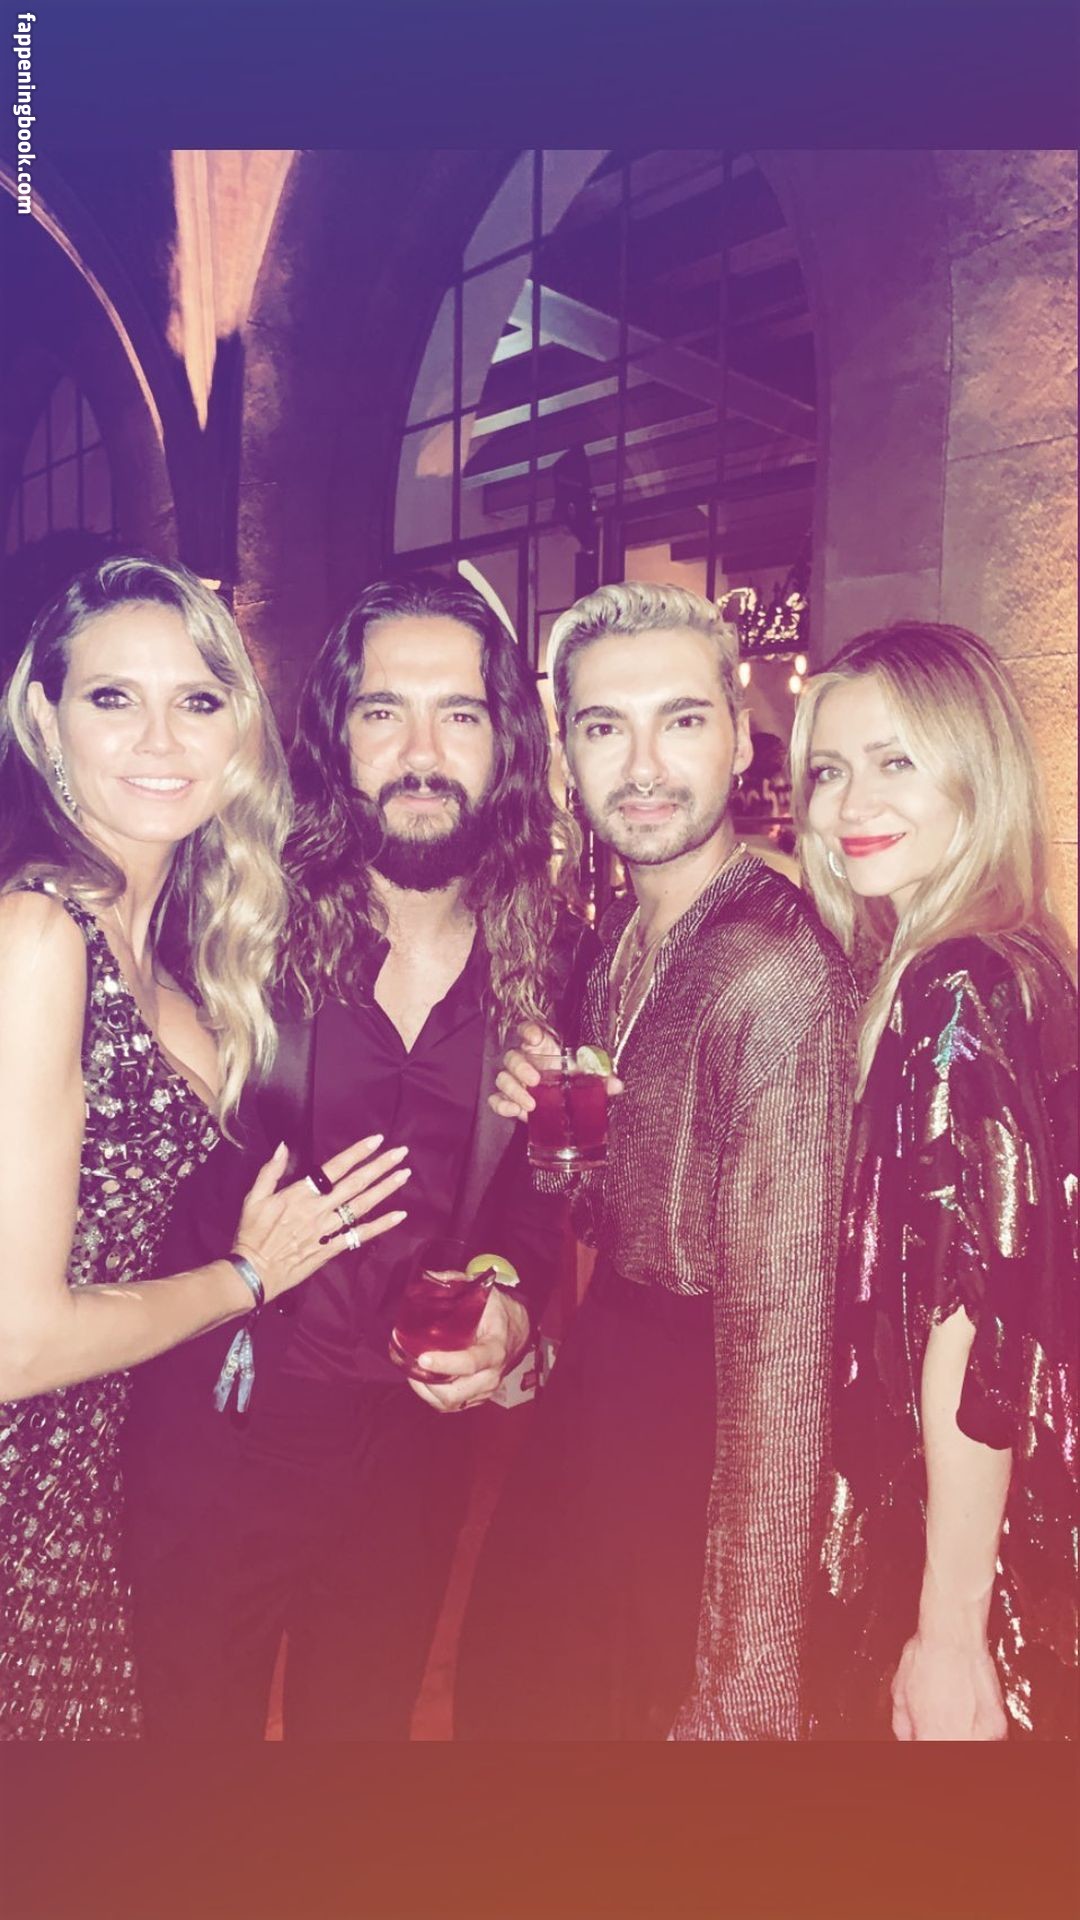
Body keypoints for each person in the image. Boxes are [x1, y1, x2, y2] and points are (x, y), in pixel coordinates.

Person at [123, 571, 580, 1740]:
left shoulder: (551, 957)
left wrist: (511, 1309)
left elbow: (538, 1201)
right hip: (219, 1427)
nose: (421, 753)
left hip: (411, 1458)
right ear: (336, 735)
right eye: (384, 711)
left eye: (459, 714)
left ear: (505, 743)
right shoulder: (231, 929)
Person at [0, 557, 408, 1742]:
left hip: (94, 1457)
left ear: (237, 729)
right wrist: (245, 1276)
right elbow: (16, 1344)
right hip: (25, 1468)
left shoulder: (169, 948)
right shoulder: (40, 935)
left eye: (197, 698)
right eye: (112, 698)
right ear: (44, 721)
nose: (159, 739)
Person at [455, 581, 858, 1741]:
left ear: (740, 736)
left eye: (680, 720)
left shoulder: (771, 973)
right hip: (606, 1396)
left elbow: (783, 1354)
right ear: (566, 757)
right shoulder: (625, 940)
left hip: (704, 1431)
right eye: (603, 727)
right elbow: (613, 1202)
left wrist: (746, 1690)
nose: (642, 766)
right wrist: (552, 1129)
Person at [790, 621, 1077, 1741]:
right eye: (829, 770)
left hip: (957, 1548)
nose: (848, 804)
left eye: (895, 760)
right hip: (1007, 1520)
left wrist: (949, 1626)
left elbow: (973, 1318)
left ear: (975, 771)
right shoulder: (1019, 956)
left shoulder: (954, 985)